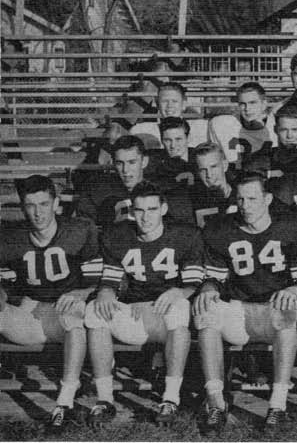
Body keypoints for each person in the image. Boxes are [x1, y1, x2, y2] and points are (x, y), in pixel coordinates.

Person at [194, 172, 297, 433]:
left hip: (272, 311)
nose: (246, 206)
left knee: (287, 312)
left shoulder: (291, 226)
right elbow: (215, 277)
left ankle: (277, 406)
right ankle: (215, 402)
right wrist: (209, 288)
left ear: (268, 198)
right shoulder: (220, 229)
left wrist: (293, 289)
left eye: (252, 199)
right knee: (205, 312)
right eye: (241, 199)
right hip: (237, 307)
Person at [85, 181, 204, 425]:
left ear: (163, 209)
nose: (145, 217)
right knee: (94, 311)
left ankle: (170, 399)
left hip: (165, 315)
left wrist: (179, 292)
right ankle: (104, 399)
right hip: (134, 312)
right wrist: (106, 291)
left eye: (151, 209)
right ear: (132, 211)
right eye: (139, 210)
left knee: (180, 307)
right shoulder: (116, 236)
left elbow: (193, 283)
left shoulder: (185, 235)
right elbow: (110, 279)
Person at [0, 175, 102, 433]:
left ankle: (64, 402)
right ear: (22, 206)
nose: (38, 212)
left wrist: (82, 291)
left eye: (44, 204)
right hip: (29, 315)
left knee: (75, 318)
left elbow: (100, 280)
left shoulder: (79, 230)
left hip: (63, 312)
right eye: (31, 205)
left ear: (56, 203)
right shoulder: (10, 238)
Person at [77, 135, 190, 228]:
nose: (125, 170)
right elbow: (85, 229)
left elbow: (182, 230)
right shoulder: (98, 189)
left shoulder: (165, 189)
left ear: (144, 161)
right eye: (120, 163)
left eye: (132, 162)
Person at [208, 82, 277, 166]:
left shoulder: (275, 127)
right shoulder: (222, 124)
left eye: (252, 103)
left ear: (264, 104)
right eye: (243, 104)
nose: (247, 108)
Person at [130, 82, 208, 149]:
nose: (170, 105)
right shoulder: (142, 130)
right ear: (157, 104)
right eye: (165, 101)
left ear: (184, 104)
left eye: (174, 101)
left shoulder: (200, 128)